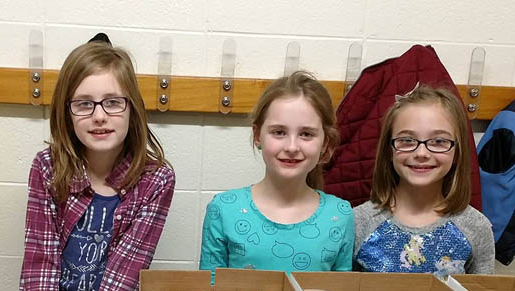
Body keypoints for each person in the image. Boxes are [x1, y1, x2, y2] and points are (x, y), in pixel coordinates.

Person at [19, 39, 175, 291]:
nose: (99, 116)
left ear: (132, 109)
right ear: (66, 111)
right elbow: (40, 262)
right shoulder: (47, 167)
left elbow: (125, 270)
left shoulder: (156, 179)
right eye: (84, 104)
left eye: (113, 103)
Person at [199, 71, 353, 273]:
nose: (291, 146)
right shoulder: (224, 209)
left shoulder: (340, 214)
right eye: (279, 132)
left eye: (306, 134)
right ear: (257, 136)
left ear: (325, 143)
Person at [353, 84, 494, 275]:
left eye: (438, 141)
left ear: (457, 152)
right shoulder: (357, 223)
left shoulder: (476, 227)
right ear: (389, 150)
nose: (421, 153)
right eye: (407, 140)